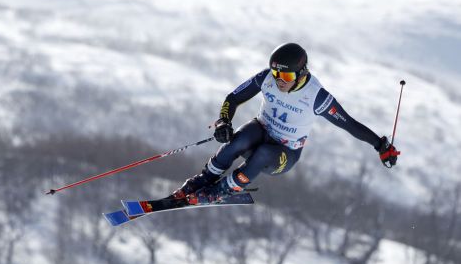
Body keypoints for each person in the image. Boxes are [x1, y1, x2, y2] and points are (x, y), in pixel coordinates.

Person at [170, 43, 400, 204]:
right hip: (260, 131)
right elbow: (234, 97)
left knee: (262, 153)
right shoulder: (267, 78)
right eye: (276, 74)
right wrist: (223, 121)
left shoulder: (316, 96)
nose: (280, 81)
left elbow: (349, 124)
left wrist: (381, 146)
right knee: (239, 140)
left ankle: (221, 190)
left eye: (287, 77)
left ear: (301, 74)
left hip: (283, 155)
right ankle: (203, 180)